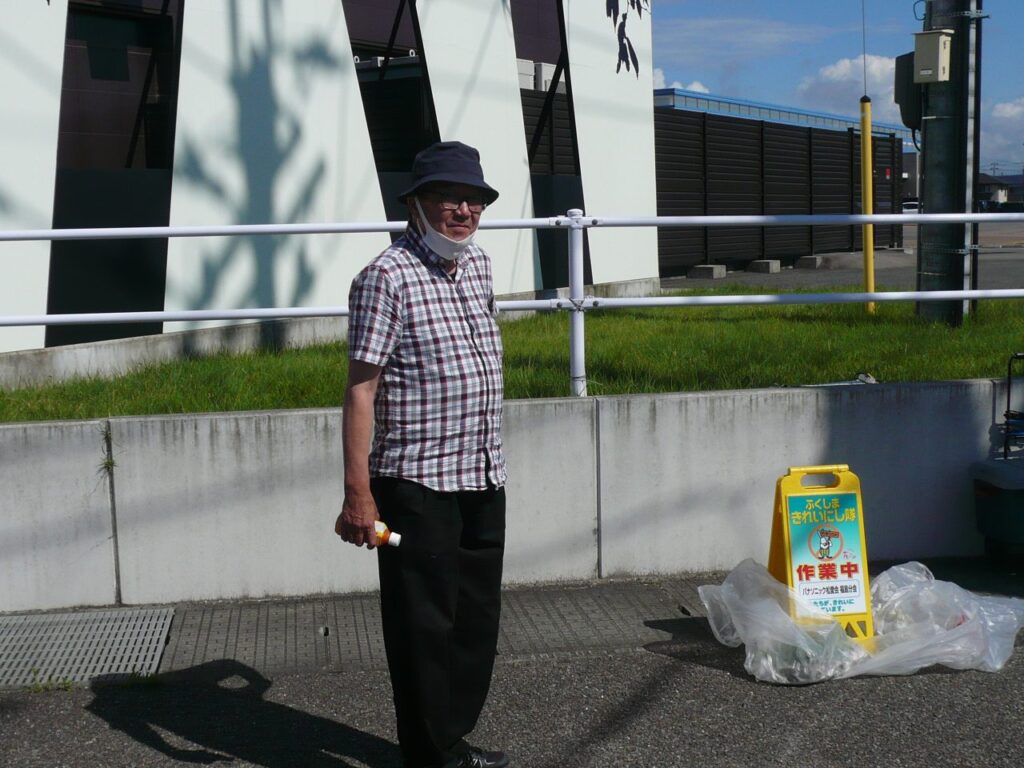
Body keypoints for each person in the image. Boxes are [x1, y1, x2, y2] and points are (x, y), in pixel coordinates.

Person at [335, 141, 509, 768]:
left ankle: (449, 740)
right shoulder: (385, 277)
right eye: (448, 198)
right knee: (423, 626)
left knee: (475, 620)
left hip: (482, 471)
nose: (464, 211)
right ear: (416, 204)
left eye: (474, 200)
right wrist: (358, 494)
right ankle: (431, 754)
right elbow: (361, 389)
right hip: (416, 482)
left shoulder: (479, 264)